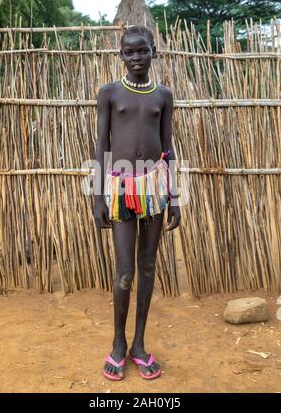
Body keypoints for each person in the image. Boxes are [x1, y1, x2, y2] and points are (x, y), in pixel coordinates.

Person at [93, 25, 181, 381]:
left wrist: (174, 197)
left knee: (147, 267)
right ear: (121, 56)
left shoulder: (163, 95)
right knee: (125, 270)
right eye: (129, 52)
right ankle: (117, 343)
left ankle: (139, 345)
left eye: (142, 51)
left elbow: (168, 146)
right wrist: (98, 195)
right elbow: (101, 146)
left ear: (153, 51)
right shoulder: (110, 93)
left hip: (156, 185)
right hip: (121, 187)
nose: (136, 58)